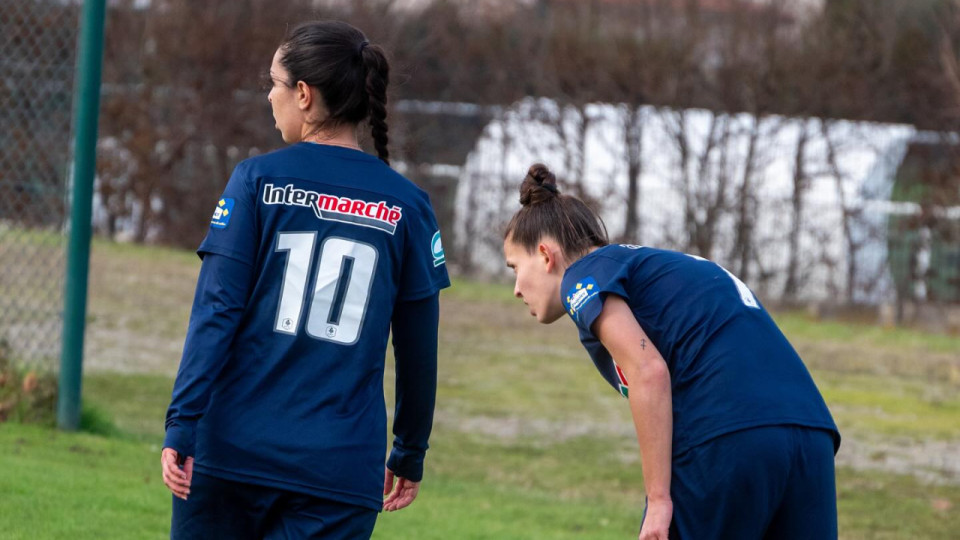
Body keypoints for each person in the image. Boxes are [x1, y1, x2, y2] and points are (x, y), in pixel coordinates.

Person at [160, 20, 449, 539]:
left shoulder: (255, 181)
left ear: (303, 94)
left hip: (230, 456)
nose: (268, 98)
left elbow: (216, 310)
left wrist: (182, 422)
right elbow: (418, 347)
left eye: (272, 83)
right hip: (338, 472)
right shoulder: (409, 206)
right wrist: (409, 450)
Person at [502, 164, 840, 540]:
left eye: (514, 267)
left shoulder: (581, 276)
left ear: (547, 256)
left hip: (728, 434)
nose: (516, 288)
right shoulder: (662, 266)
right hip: (811, 433)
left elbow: (648, 371)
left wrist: (659, 498)